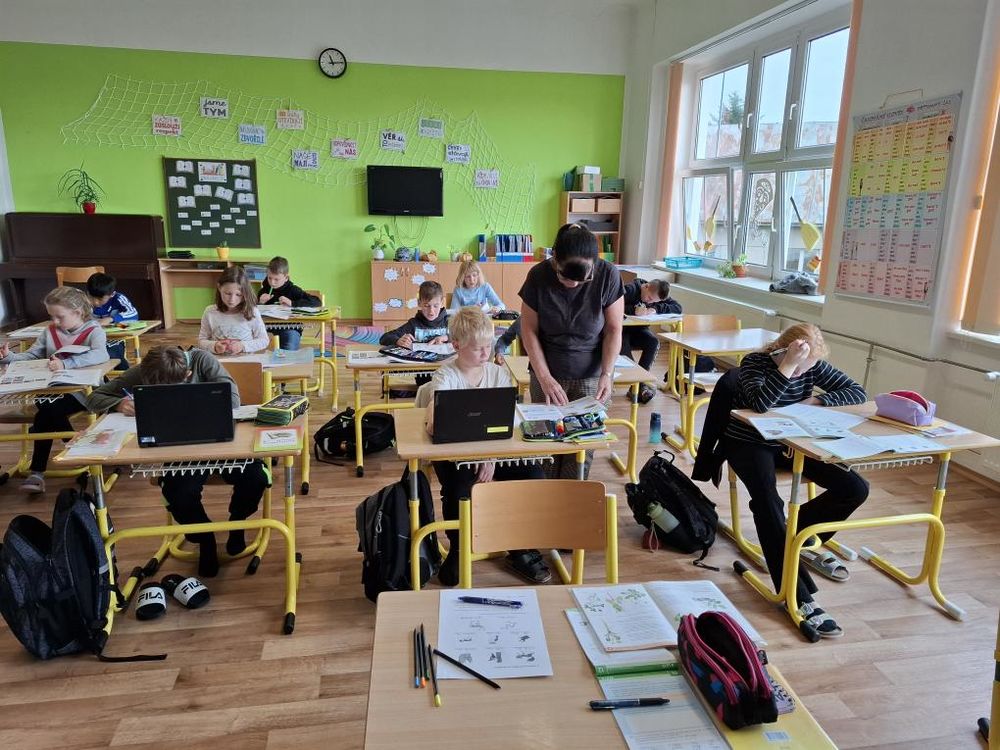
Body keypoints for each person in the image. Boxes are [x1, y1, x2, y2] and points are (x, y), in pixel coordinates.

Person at [724, 323, 868, 638]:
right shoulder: (755, 363)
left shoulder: (812, 366)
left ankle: (795, 536)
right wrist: (788, 366)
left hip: (791, 442)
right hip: (748, 443)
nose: (803, 374)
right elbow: (761, 404)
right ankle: (799, 597)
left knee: (855, 488)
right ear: (781, 351)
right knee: (767, 502)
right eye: (800, 367)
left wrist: (813, 402)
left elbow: (857, 392)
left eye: (808, 368)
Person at [87, 346, 269, 578]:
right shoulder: (146, 370)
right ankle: (205, 537)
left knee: (255, 477)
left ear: (187, 374)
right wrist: (118, 404)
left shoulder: (202, 360)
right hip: (178, 446)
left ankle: (237, 522)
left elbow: (232, 400)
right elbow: (93, 398)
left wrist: (192, 399)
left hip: (221, 439)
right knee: (178, 492)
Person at [418, 307, 549, 586]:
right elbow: (438, 424)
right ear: (456, 346)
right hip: (455, 457)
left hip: (495, 454)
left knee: (533, 475)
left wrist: (490, 458)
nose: (486, 353)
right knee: (458, 488)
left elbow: (507, 424)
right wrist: (478, 456)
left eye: (489, 346)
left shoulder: (498, 375)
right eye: (478, 348)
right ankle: (459, 546)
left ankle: (520, 546)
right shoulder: (445, 377)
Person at [519, 223, 624, 479]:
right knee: (547, 448)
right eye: (565, 277)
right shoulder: (538, 276)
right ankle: (546, 499)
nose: (573, 284)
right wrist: (544, 378)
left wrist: (607, 374)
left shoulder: (608, 275)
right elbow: (529, 330)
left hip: (590, 377)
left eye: (581, 279)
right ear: (555, 259)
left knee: (579, 454)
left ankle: (572, 498)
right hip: (547, 373)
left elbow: (613, 330)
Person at [0, 287, 109, 493]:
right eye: (52, 316)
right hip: (50, 389)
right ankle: (78, 451)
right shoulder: (49, 332)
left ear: (77, 312)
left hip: (82, 392)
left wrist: (67, 364)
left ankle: (38, 472)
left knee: (46, 413)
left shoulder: (93, 331)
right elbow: (32, 355)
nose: (55, 321)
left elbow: (100, 355)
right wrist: (9, 357)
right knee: (48, 408)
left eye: (60, 317)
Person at [621, 278, 681, 403]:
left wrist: (655, 309)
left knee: (653, 342)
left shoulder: (656, 294)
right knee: (624, 348)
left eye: (653, 301)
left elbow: (677, 307)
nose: (649, 302)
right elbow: (610, 305)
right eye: (649, 298)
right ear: (646, 286)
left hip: (639, 331)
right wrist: (633, 310)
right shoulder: (630, 290)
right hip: (622, 332)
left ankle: (638, 386)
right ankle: (639, 386)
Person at [199, 266, 270, 355]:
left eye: (238, 295)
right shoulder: (210, 312)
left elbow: (264, 340)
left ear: (245, 293)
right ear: (219, 287)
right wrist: (214, 346)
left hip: (246, 361)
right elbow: (201, 341)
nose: (232, 300)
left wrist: (242, 346)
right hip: (217, 362)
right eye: (228, 293)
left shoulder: (252, 312)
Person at [257, 256, 322, 351]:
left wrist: (292, 303)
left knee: (289, 347)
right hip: (267, 327)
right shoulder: (263, 291)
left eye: (276, 279)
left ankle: (286, 360)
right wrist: (259, 303)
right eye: (269, 278)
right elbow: (251, 311)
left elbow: (316, 301)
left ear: (286, 278)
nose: (272, 283)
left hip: (290, 328)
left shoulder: (293, 290)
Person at [87, 271, 139, 371]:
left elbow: (134, 314)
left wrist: (111, 319)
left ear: (111, 294)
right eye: (92, 298)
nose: (96, 302)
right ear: (88, 293)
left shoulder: (118, 298)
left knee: (114, 355)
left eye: (100, 299)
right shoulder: (83, 301)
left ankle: (124, 375)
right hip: (91, 339)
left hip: (114, 340)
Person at [379, 280, 449, 349]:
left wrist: (447, 338)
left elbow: (456, 337)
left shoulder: (449, 322)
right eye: (426, 306)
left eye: (436, 306)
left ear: (442, 303)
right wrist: (397, 341)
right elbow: (384, 338)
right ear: (419, 303)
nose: (431, 311)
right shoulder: (413, 324)